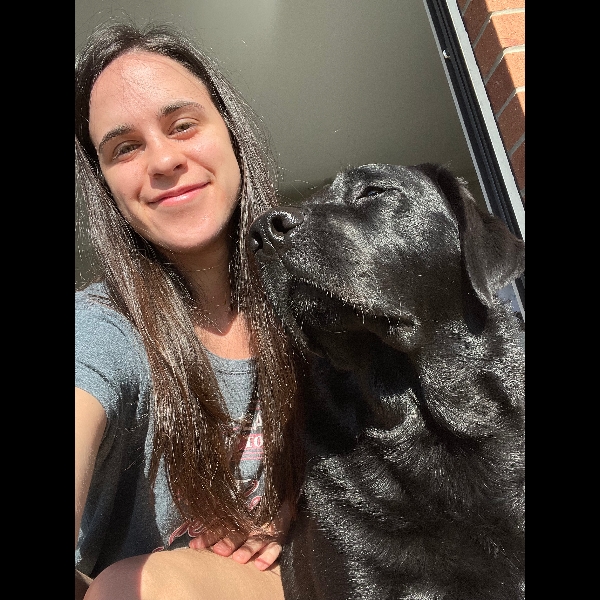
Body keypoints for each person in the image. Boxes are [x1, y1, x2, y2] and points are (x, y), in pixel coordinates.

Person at [75, 19, 305, 600]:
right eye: (125, 148)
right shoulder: (103, 328)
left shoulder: (319, 307)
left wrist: (308, 501)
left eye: (182, 125)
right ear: (105, 186)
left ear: (230, 131)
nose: (162, 160)